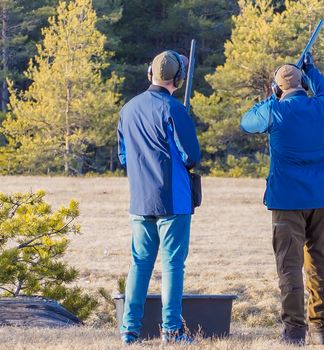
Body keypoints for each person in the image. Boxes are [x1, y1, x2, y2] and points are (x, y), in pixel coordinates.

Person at [240, 53, 324, 346]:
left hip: (286, 202)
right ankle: (321, 329)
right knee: (319, 264)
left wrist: (272, 97)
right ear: (304, 84)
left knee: (289, 266)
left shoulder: (275, 111)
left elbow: (247, 122)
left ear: (278, 87)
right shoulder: (322, 106)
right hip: (320, 198)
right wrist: (311, 70)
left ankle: (294, 332)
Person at [117, 50, 201, 345]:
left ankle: (129, 331)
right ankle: (172, 331)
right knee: (172, 265)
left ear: (149, 73)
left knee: (139, 263)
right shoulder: (174, 109)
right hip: (173, 200)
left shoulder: (128, 108)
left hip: (139, 199)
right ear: (177, 80)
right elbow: (191, 156)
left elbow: (124, 156)